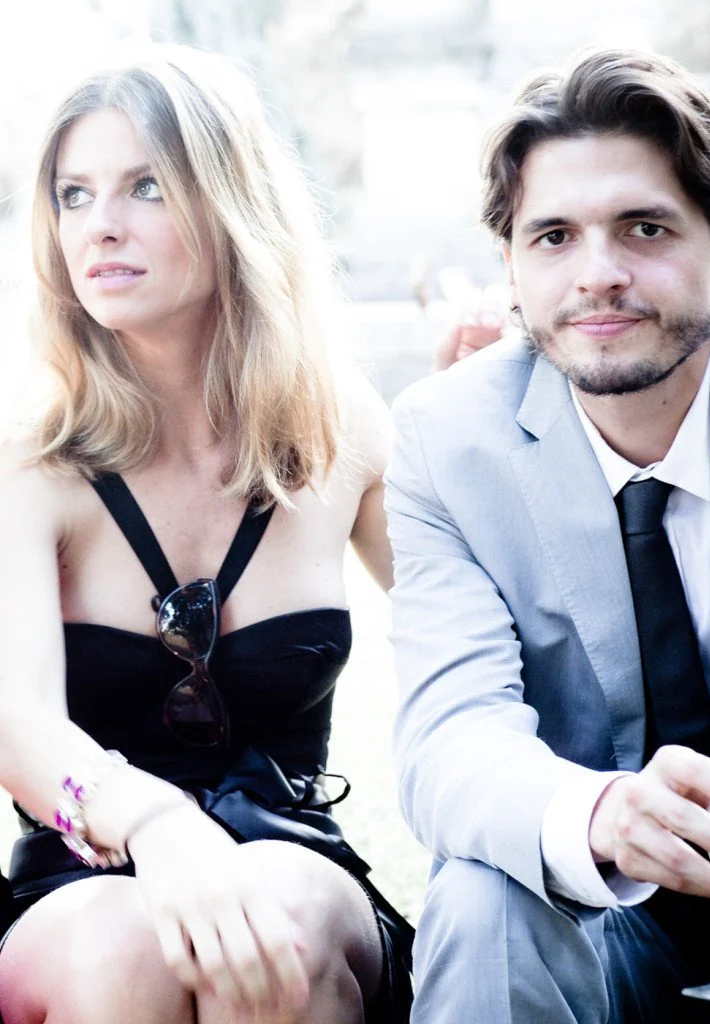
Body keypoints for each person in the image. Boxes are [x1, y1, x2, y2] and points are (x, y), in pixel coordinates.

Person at [385, 48, 710, 1024]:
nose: (597, 274)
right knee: (481, 897)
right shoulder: (447, 441)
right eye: (552, 236)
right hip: (608, 912)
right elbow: (449, 736)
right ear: (509, 268)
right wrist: (598, 816)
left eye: (642, 228)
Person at [0, 45, 413, 1024]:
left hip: (298, 859)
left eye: (145, 186)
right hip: (81, 878)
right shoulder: (32, 455)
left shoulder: (340, 427)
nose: (99, 225)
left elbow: (492, 637)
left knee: (278, 930)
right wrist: (157, 825)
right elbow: (15, 724)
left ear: (230, 201)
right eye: (72, 194)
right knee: (127, 951)